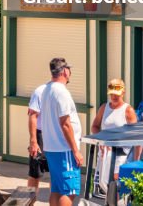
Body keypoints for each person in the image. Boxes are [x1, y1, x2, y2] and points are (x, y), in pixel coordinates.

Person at [39, 57, 84, 206]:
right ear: (65, 71)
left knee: (57, 189)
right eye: (69, 69)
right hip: (64, 149)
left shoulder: (47, 89)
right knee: (69, 191)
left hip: (52, 147)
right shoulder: (61, 92)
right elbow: (65, 124)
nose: (70, 72)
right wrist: (75, 151)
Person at [90, 79, 137, 194]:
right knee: (103, 184)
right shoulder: (103, 108)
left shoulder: (128, 110)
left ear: (123, 93)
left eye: (117, 94)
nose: (114, 96)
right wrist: (100, 140)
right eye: (112, 94)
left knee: (115, 185)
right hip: (104, 153)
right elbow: (95, 126)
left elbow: (135, 135)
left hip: (120, 154)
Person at [27, 79, 49, 189]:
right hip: (40, 135)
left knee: (56, 175)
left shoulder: (62, 92)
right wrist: (33, 142)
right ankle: (29, 202)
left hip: (55, 136)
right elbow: (32, 116)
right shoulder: (40, 91)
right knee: (35, 173)